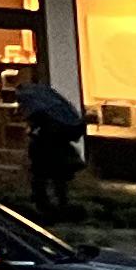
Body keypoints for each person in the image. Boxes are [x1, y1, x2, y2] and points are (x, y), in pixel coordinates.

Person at [19, 72, 88, 218]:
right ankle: (59, 204)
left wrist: (33, 134)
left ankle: (45, 205)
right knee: (58, 182)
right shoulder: (57, 118)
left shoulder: (42, 120)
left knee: (41, 180)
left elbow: (40, 143)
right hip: (56, 157)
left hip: (46, 157)